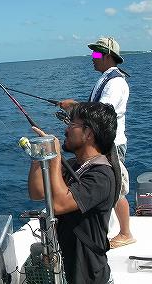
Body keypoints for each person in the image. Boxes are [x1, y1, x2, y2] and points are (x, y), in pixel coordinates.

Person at [28, 102, 120, 284]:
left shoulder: (102, 176)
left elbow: (58, 204)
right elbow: (37, 193)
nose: (66, 130)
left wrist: (55, 158)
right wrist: (39, 156)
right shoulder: (76, 166)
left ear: (88, 133)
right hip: (70, 271)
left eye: (71, 125)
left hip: (91, 277)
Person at [58, 36, 135, 249]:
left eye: (97, 54)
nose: (92, 58)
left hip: (112, 144)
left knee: (116, 186)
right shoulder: (107, 79)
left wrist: (75, 106)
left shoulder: (116, 82)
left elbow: (101, 113)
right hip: (105, 143)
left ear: (108, 56)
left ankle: (126, 233)